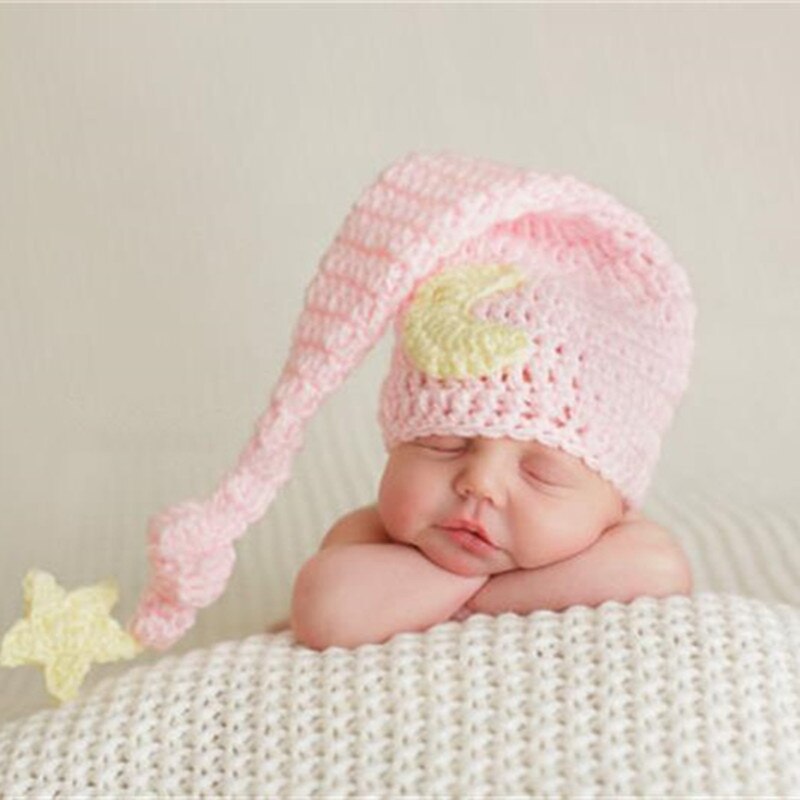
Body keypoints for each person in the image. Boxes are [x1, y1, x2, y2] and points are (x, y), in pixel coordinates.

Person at [2, 152, 696, 702]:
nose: (478, 483)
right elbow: (329, 610)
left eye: (541, 472)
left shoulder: (624, 541)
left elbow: (660, 570)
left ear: (614, 505)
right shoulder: (369, 538)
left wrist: (470, 596)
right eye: (442, 445)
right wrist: (485, 591)